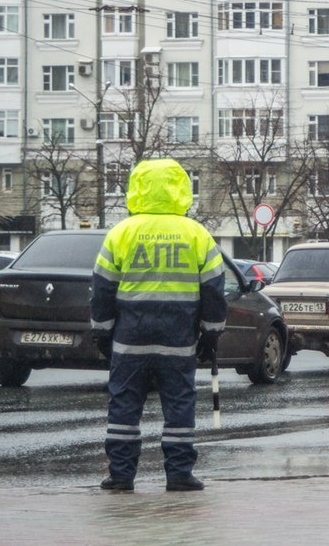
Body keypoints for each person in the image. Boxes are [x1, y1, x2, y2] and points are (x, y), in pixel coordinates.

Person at [90, 158, 226, 492]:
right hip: (178, 338)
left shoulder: (121, 232)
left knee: (124, 405)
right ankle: (179, 474)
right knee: (179, 404)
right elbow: (213, 288)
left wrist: (102, 331)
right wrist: (211, 332)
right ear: (181, 188)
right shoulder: (196, 234)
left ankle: (121, 475)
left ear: (137, 188)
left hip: (129, 338)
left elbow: (103, 288)